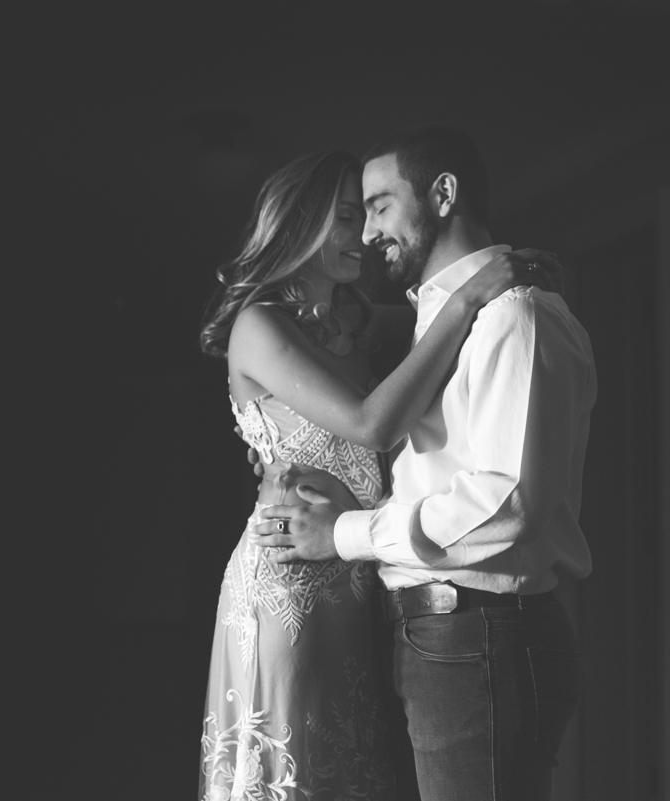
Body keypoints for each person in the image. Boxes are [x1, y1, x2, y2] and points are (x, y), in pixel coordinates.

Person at [196, 148, 559, 801]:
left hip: (360, 582)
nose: (362, 235)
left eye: (369, 213)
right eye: (344, 217)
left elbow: (433, 320)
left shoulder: (360, 323)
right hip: (291, 584)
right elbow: (371, 422)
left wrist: (493, 281)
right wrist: (476, 293)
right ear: (299, 225)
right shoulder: (259, 324)